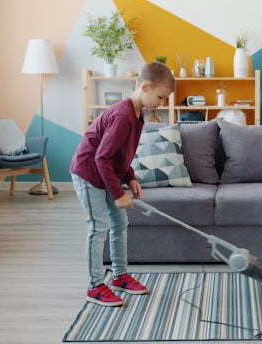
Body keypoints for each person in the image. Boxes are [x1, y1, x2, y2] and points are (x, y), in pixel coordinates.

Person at [70, 62, 175, 307]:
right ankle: (95, 286)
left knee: (120, 222)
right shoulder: (122, 115)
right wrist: (118, 194)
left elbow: (121, 153)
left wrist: (130, 177)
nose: (161, 103)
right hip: (88, 173)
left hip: (105, 173)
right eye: (160, 97)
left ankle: (119, 276)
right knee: (98, 227)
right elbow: (101, 157)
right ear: (145, 86)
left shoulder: (137, 115)